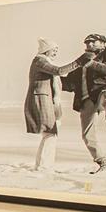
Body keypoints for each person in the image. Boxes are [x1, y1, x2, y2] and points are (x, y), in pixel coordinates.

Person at [24, 38, 87, 172]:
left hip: (49, 101)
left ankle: (43, 165)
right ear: (46, 49)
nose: (56, 52)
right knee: (50, 133)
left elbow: (59, 81)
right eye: (54, 49)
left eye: (57, 50)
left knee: (50, 134)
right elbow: (59, 71)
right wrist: (79, 62)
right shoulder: (40, 61)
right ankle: (44, 166)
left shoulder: (44, 62)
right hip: (41, 100)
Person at [61, 33, 106, 174]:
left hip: (101, 90)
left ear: (103, 44)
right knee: (87, 135)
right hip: (86, 100)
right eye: (87, 42)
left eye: (94, 42)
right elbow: (69, 84)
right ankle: (102, 162)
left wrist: (91, 63)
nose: (90, 44)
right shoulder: (81, 61)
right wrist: (51, 79)